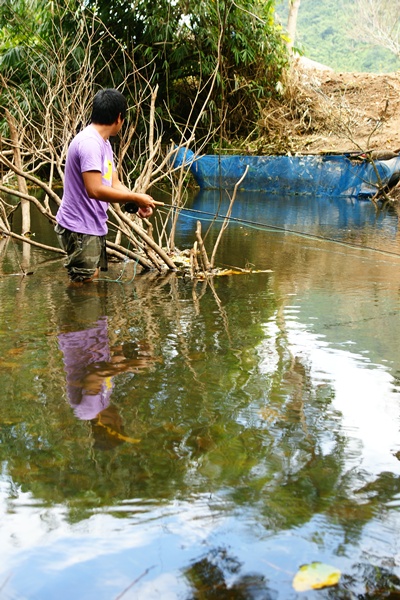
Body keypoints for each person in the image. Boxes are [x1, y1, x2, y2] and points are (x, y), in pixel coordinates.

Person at [55, 88, 163, 283]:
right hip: (79, 227)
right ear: (119, 118)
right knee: (84, 285)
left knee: (90, 280)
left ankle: (83, 314)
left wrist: (136, 201)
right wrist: (134, 197)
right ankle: (72, 314)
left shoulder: (104, 143)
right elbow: (94, 189)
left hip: (93, 225)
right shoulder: (89, 143)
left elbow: (114, 183)